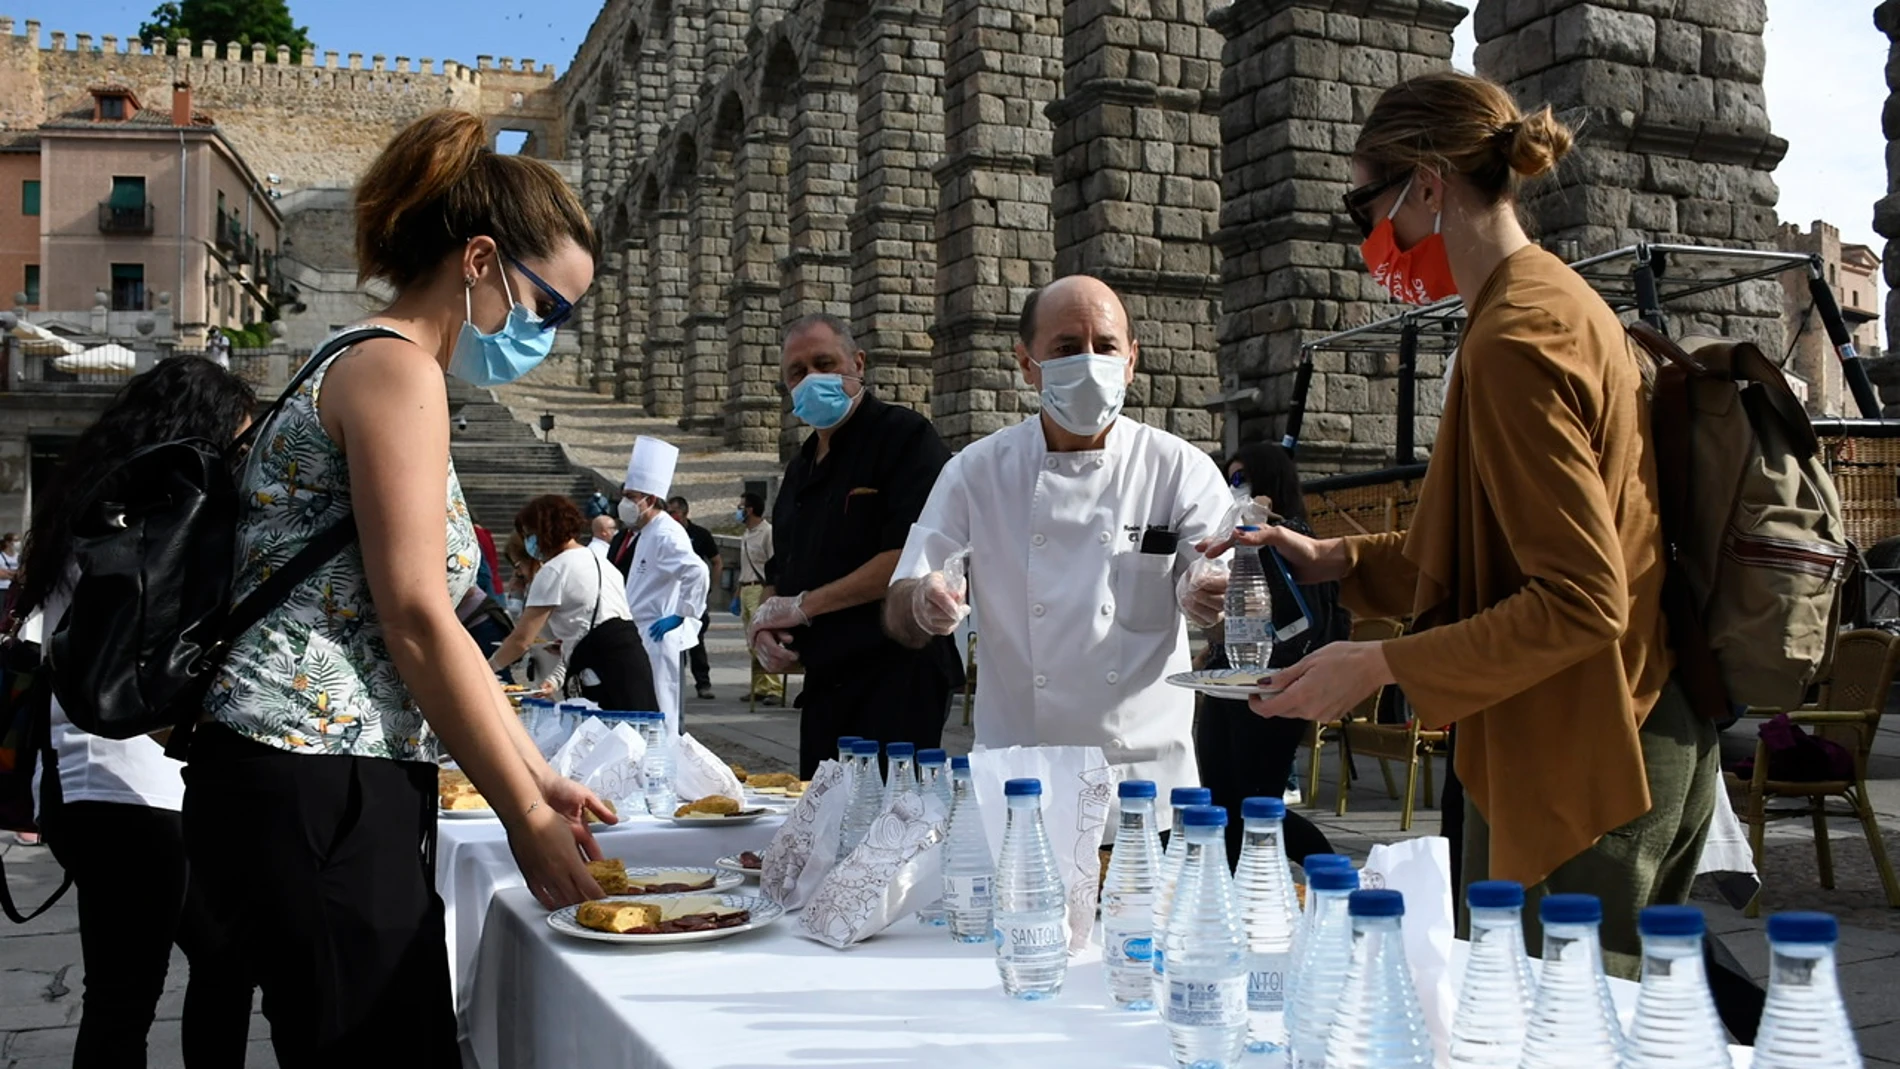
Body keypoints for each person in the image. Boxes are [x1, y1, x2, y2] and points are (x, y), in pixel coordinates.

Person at [1214, 72, 1713, 979]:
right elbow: (1489, 547)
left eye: (1367, 204)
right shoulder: (1547, 302)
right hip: (1606, 733)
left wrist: (1379, 664)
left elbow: (1577, 598)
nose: (1370, 237)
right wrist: (1331, 558)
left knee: (1548, 1030)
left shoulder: (1517, 338)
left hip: (1584, 759)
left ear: (1429, 184)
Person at [186, 109, 614, 1066]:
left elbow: (439, 626)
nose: (549, 332)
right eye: (550, 305)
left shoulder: (364, 358)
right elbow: (418, 618)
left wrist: (540, 777)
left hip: (308, 766)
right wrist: (525, 817)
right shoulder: (394, 372)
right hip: (314, 764)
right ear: (480, 260)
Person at [884, 276, 1229, 809]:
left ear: (1131, 359)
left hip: (1142, 787)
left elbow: (1225, 586)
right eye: (1068, 348)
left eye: (1106, 346)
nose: (1090, 361)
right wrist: (923, 602)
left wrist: (1214, 593)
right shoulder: (976, 472)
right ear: (1027, 364)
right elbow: (901, 603)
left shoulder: (1179, 469)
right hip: (1019, 782)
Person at [13, 357, 256, 1069]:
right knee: (129, 991)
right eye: (236, 440)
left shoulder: (90, 501)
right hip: (128, 786)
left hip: (94, 783)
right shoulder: (153, 520)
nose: (240, 456)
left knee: (213, 959)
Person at [749, 314, 962, 777]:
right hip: (826, 678)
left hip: (896, 671)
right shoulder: (800, 468)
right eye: (798, 372)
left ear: (858, 364)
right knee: (819, 816)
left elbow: (910, 556)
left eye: (824, 363)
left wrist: (805, 606)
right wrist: (766, 625)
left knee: (885, 826)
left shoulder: (904, 437)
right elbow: (780, 570)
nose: (812, 379)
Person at [1195, 442, 1344, 869]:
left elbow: (1303, 619)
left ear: (1269, 483)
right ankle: (1234, 889)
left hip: (1273, 686)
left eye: (1240, 479)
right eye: (1229, 480)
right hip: (1230, 682)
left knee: (1256, 805)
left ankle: (1328, 874)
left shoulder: (1293, 539)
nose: (1232, 489)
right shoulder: (1246, 540)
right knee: (1222, 800)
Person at [488, 495, 657, 711]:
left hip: (601, 667)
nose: (529, 542)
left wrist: (488, 668)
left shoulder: (553, 569)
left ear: (544, 532)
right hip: (631, 656)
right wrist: (569, 646)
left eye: (530, 535)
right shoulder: (600, 562)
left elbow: (521, 639)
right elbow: (596, 619)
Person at [617, 437, 709, 731]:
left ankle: (665, 764)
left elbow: (696, 571)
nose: (626, 503)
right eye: (625, 495)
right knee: (644, 706)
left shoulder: (666, 533)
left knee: (661, 706)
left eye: (632, 497)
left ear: (651, 499)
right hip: (642, 628)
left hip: (658, 631)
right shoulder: (647, 531)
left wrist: (682, 613)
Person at [666, 495, 722, 700]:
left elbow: (716, 561)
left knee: (696, 641)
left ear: (684, 513)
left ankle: (703, 683)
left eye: (673, 512)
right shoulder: (666, 534)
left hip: (694, 598)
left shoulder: (699, 534)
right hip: (671, 598)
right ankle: (675, 682)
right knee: (673, 644)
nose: (670, 516)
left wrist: (710, 590)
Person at [735, 491, 784, 706]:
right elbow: (744, 567)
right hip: (746, 588)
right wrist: (737, 593)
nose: (738, 510)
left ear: (750, 509)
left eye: (741, 506)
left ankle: (774, 686)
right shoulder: (746, 534)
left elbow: (775, 563)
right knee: (750, 641)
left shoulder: (767, 533)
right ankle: (760, 685)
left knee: (763, 637)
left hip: (760, 589)